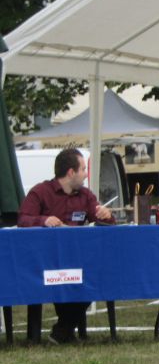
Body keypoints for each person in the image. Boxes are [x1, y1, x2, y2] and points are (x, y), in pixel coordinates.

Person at [17, 147, 115, 344]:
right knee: (64, 278)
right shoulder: (40, 192)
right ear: (71, 172)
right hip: (47, 259)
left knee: (94, 277)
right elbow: (23, 219)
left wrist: (107, 216)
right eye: (83, 170)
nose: (86, 175)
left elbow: (101, 221)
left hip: (79, 258)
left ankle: (63, 329)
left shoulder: (86, 195)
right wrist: (44, 220)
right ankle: (64, 331)